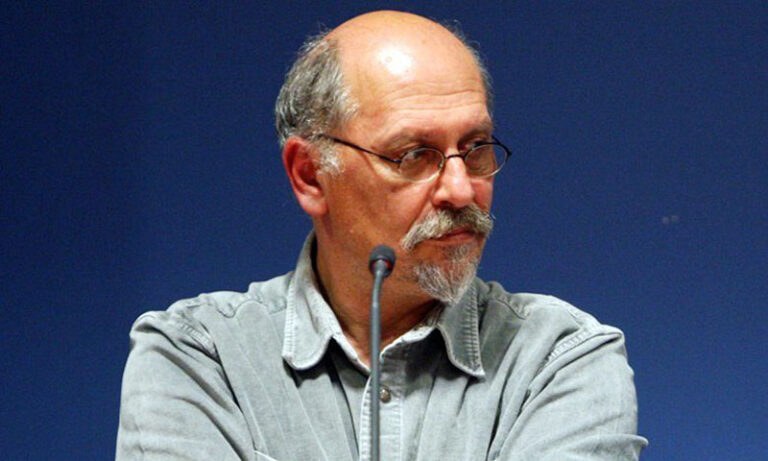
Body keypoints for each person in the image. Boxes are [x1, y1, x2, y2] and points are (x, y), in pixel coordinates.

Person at [116, 10, 647, 460]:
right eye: (414, 155)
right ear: (310, 175)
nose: (461, 190)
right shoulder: (198, 357)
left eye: (476, 148)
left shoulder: (561, 359)